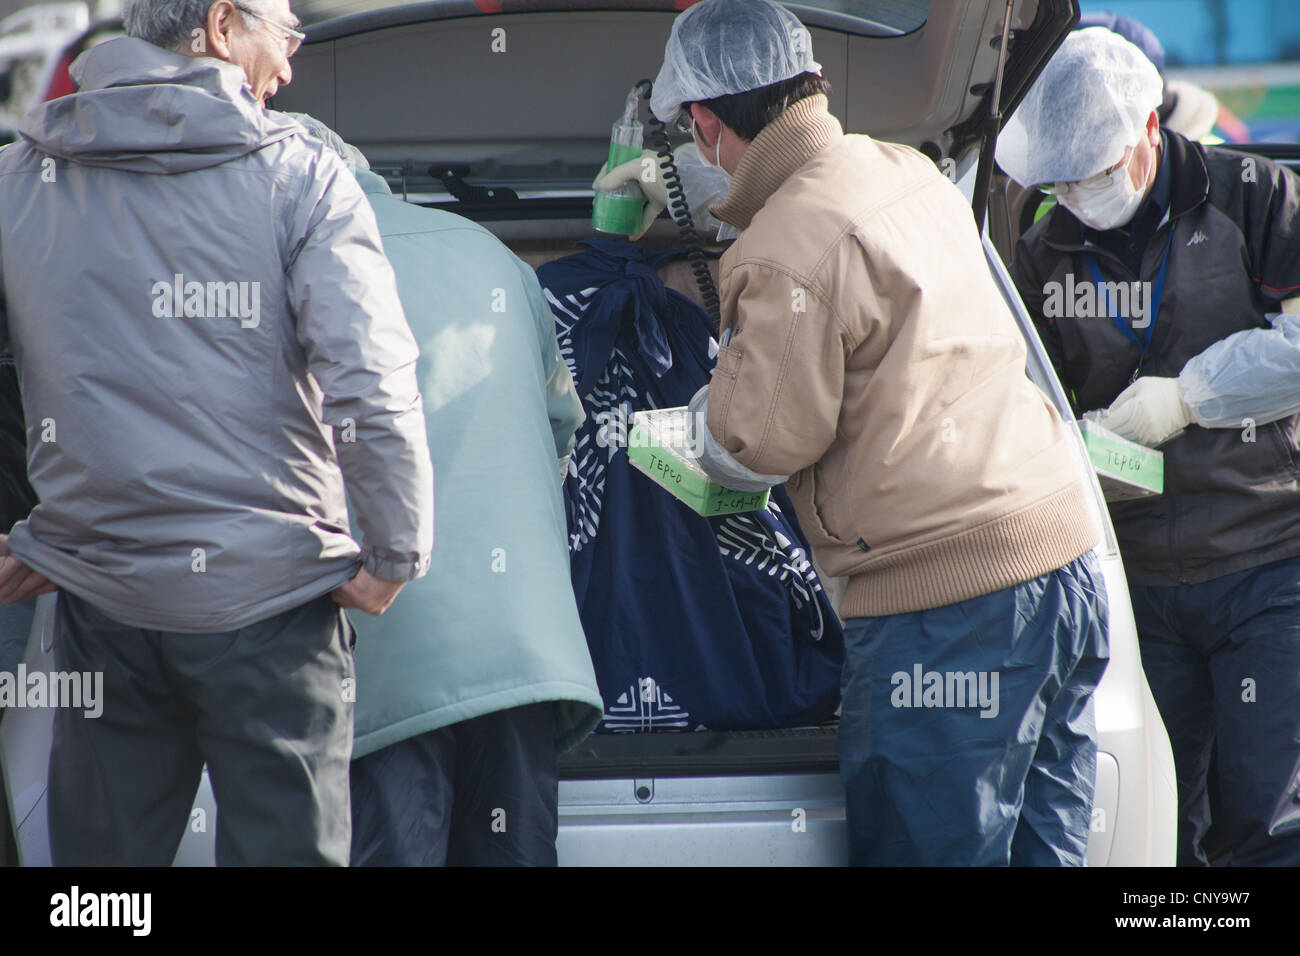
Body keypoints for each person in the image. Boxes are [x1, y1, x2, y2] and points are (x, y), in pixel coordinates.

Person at [599, 0, 1109, 866]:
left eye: (694, 133)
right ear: (812, 85)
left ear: (709, 125)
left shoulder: (780, 245)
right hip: (1064, 563)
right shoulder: (908, 171)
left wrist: (677, 425)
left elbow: (755, 445)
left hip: (946, 609)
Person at [0, 0, 434, 866]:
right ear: (223, 24)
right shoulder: (304, 176)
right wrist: (394, 551)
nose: (291, 66)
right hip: (271, 604)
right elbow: (372, 388)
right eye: (287, 33)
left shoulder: (18, 179)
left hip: (102, 601)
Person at [999, 27, 1300, 866]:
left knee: (1269, 820)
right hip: (1136, 582)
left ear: (1147, 127)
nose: (1079, 193)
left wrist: (1190, 397)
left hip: (1267, 562)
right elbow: (1030, 395)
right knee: (1164, 831)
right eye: (1062, 179)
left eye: (1094, 170)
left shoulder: (1253, 196)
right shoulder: (1044, 245)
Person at [287, 115, 603, 867]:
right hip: (524, 652)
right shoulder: (486, 252)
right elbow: (562, 423)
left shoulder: (295, 262)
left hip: (387, 652)